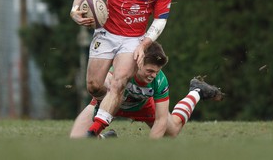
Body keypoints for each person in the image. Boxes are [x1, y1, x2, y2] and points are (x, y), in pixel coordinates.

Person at [70, 0, 173, 137]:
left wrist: (144, 44)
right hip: (105, 33)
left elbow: (160, 20)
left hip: (133, 40)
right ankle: (111, 113)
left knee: (119, 81)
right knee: (94, 86)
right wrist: (74, 11)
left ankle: (94, 131)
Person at [70, 42, 224, 139]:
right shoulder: (122, 68)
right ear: (138, 62)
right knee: (77, 140)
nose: (154, 75)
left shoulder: (160, 80)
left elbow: (161, 120)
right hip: (109, 104)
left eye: (157, 71)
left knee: (173, 130)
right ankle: (105, 139)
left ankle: (196, 91)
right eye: (150, 70)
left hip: (143, 107)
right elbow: (99, 86)